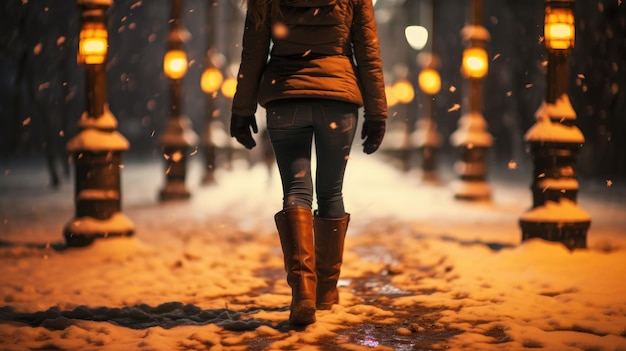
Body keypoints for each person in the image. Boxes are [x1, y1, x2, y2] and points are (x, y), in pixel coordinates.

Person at [230, 0, 387, 326]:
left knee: (297, 190)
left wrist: (242, 109)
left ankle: (302, 288)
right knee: (330, 192)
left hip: (286, 98)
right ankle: (326, 291)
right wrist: (377, 113)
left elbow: (253, 51)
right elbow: (368, 54)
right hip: (337, 100)